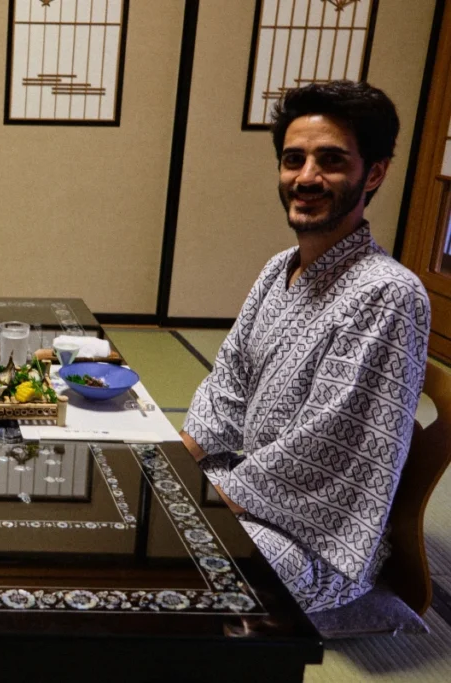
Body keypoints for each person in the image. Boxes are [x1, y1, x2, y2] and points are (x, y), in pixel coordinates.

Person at [181, 81, 430, 613]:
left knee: (170, 567)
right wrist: (174, 465)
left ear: (374, 173)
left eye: (331, 161)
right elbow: (227, 383)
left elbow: (330, 445)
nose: (307, 177)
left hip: (311, 539)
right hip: (238, 486)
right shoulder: (280, 268)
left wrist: (208, 500)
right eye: (294, 160)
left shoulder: (389, 293)